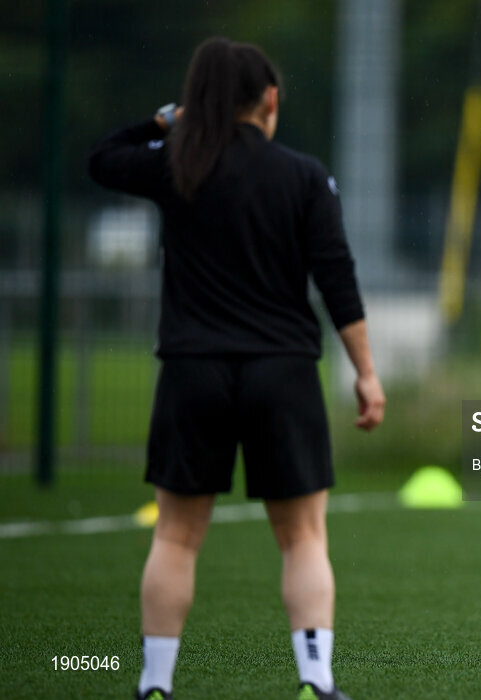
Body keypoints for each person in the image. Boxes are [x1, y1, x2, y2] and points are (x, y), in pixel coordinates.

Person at [88, 37, 385, 700]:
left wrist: (164, 121)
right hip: (282, 372)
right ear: (270, 100)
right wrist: (365, 372)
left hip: (192, 370)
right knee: (303, 536)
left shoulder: (176, 166)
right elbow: (336, 281)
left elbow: (101, 159)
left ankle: (155, 686)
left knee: (176, 535)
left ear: (201, 102)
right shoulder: (304, 175)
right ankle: (314, 681)